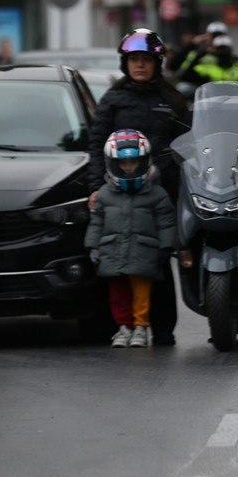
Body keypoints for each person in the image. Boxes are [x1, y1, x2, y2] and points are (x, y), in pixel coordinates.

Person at [88, 29, 189, 345]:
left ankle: (162, 328)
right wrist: (96, 187)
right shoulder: (112, 100)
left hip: (163, 193)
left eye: (146, 59)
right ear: (125, 63)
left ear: (157, 63)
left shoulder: (173, 100)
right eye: (134, 60)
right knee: (118, 263)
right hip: (119, 195)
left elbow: (189, 145)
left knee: (158, 259)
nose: (140, 65)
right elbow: (96, 146)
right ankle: (123, 326)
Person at [84, 130, 178, 348]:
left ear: (144, 161)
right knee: (117, 295)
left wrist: (166, 247)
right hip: (112, 253)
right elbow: (96, 223)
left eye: (133, 162)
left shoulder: (157, 194)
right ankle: (123, 327)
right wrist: (93, 247)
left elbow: (166, 222)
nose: (128, 167)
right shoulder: (104, 194)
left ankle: (141, 327)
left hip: (144, 255)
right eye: (123, 163)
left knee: (142, 295)